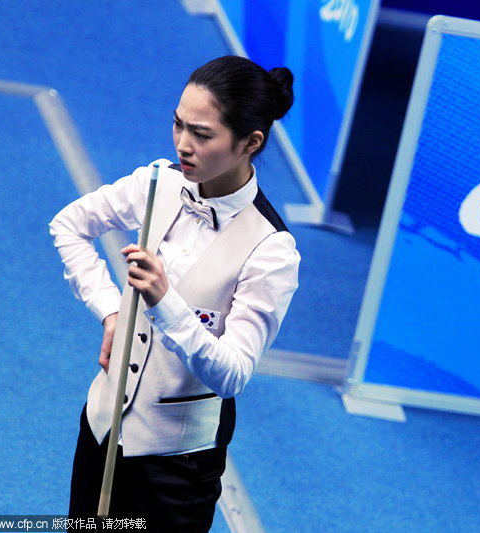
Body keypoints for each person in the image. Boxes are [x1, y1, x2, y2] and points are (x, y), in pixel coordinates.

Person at [49, 55, 299, 531]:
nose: (183, 144)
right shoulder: (157, 182)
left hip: (176, 469)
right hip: (101, 428)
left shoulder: (272, 251)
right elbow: (69, 225)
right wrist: (109, 310)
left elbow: (233, 375)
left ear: (251, 142)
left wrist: (166, 303)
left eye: (202, 134)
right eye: (178, 124)